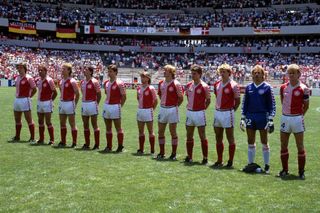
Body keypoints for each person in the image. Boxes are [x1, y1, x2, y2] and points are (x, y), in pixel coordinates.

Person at [240, 65, 276, 174]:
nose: (256, 75)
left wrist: (270, 118)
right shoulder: (249, 87)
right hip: (250, 116)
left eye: (258, 73)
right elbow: (244, 103)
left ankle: (267, 166)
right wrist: (242, 117)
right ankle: (251, 164)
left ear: (263, 75)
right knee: (250, 141)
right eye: (254, 73)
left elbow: (272, 104)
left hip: (262, 117)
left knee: (264, 141)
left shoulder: (267, 87)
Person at [278, 64, 310, 179]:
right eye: (289, 73)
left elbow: (306, 106)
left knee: (300, 145)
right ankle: (284, 170)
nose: (291, 75)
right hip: (285, 117)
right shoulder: (283, 87)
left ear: (298, 74)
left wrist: (300, 116)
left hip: (297, 118)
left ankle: (301, 172)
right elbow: (283, 101)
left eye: (293, 73)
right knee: (283, 145)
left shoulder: (304, 88)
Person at [212, 64, 240, 168]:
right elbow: (217, 96)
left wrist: (232, 111)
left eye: (224, 72)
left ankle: (230, 161)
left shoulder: (234, 85)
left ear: (229, 73)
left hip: (228, 112)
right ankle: (219, 160)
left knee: (230, 137)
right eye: (221, 72)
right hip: (218, 112)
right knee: (218, 137)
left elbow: (237, 101)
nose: (222, 74)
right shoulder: (217, 84)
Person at [184, 65, 211, 164]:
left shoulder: (204, 86)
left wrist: (202, 109)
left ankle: (205, 157)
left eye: (194, 74)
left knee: (202, 136)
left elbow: (208, 100)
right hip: (190, 112)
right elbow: (188, 97)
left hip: (200, 113)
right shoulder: (188, 85)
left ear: (199, 74)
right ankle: (189, 156)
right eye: (192, 73)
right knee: (189, 135)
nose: (192, 75)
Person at [157, 64, 183, 160]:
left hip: (172, 109)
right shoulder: (161, 83)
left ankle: (173, 153)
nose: (164, 71)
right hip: (163, 108)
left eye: (166, 70)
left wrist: (175, 106)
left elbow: (181, 98)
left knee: (173, 132)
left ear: (171, 72)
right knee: (160, 132)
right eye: (164, 70)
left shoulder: (176, 84)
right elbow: (160, 95)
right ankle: (162, 152)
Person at [9, 62, 37, 143]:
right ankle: (17, 137)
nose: (19, 69)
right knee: (17, 119)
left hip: (25, 100)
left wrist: (29, 97)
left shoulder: (29, 78)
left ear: (24, 68)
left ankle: (32, 138)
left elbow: (34, 89)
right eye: (18, 68)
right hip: (17, 99)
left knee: (29, 119)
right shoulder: (17, 78)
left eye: (20, 67)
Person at [102, 64, 126, 152]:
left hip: (116, 106)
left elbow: (124, 96)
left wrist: (120, 106)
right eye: (108, 71)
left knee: (118, 128)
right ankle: (109, 146)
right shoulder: (106, 83)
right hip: (107, 106)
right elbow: (106, 93)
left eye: (111, 71)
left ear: (115, 72)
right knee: (108, 128)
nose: (109, 73)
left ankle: (120, 146)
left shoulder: (120, 83)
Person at [58, 63, 80, 148]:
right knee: (62, 123)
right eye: (62, 68)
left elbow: (77, 94)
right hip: (62, 103)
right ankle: (63, 141)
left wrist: (74, 104)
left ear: (69, 71)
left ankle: (74, 142)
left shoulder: (73, 81)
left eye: (64, 69)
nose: (62, 70)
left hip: (70, 103)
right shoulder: (61, 81)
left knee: (72, 124)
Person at [136, 71, 158, 155]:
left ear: (148, 78)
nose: (142, 79)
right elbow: (138, 98)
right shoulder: (138, 88)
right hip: (140, 110)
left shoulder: (151, 88)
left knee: (150, 131)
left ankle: (152, 150)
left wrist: (152, 109)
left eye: (144, 77)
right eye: (141, 77)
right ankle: (141, 149)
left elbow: (155, 101)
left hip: (148, 110)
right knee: (141, 131)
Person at [80, 66, 101, 150]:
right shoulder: (82, 82)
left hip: (92, 103)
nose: (84, 71)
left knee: (94, 125)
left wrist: (96, 103)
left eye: (86, 70)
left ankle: (97, 144)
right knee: (85, 125)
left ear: (90, 72)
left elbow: (99, 94)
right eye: (84, 69)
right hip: (84, 104)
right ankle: (87, 143)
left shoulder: (95, 81)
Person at [36, 65, 57, 145]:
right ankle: (41, 139)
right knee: (40, 121)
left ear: (45, 71)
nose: (40, 72)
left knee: (48, 122)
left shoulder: (49, 80)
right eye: (39, 70)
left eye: (41, 70)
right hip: (39, 102)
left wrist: (50, 101)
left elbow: (55, 92)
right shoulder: (39, 80)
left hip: (47, 102)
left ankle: (52, 139)